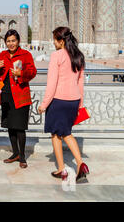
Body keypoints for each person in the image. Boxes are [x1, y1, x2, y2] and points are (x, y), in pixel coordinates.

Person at [38, 26, 89, 182]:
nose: (53, 42)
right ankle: (80, 164)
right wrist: (80, 103)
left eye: (55, 39)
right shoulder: (78, 56)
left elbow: (52, 83)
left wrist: (44, 104)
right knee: (66, 132)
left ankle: (61, 169)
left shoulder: (57, 56)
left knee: (56, 134)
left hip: (58, 101)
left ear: (61, 40)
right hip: (73, 100)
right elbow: (80, 83)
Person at [0, 30, 37, 169]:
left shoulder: (26, 55)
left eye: (13, 40)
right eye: (8, 41)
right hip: (5, 95)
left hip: (20, 95)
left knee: (20, 127)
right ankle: (15, 153)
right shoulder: (3, 55)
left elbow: (33, 72)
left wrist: (20, 73)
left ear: (18, 41)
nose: (11, 43)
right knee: (10, 126)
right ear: (5, 42)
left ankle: (22, 157)